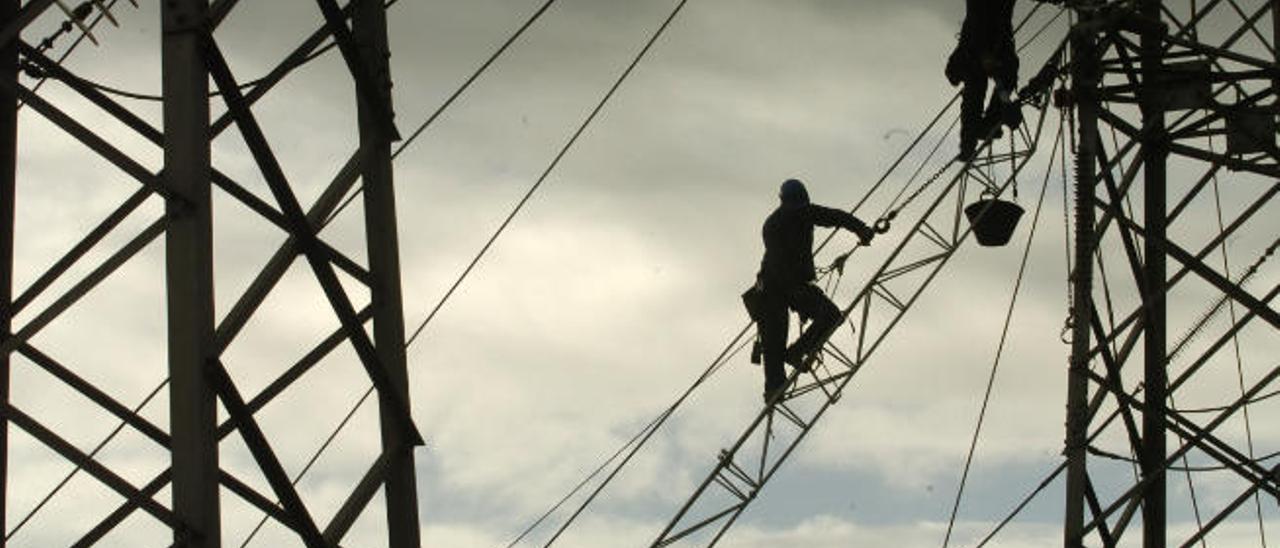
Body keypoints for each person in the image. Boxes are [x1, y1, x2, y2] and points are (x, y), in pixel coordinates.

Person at [753, 179, 874, 402]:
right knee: (829, 315)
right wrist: (862, 229)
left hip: (769, 288)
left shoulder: (771, 222)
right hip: (787, 285)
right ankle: (797, 352)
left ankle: (774, 388)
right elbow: (834, 216)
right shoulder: (800, 212)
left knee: (773, 342)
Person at [946, 0, 1022, 161]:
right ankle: (970, 143)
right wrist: (984, 54)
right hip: (976, 47)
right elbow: (976, 19)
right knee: (975, 90)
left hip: (997, 44)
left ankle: (990, 124)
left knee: (1007, 77)